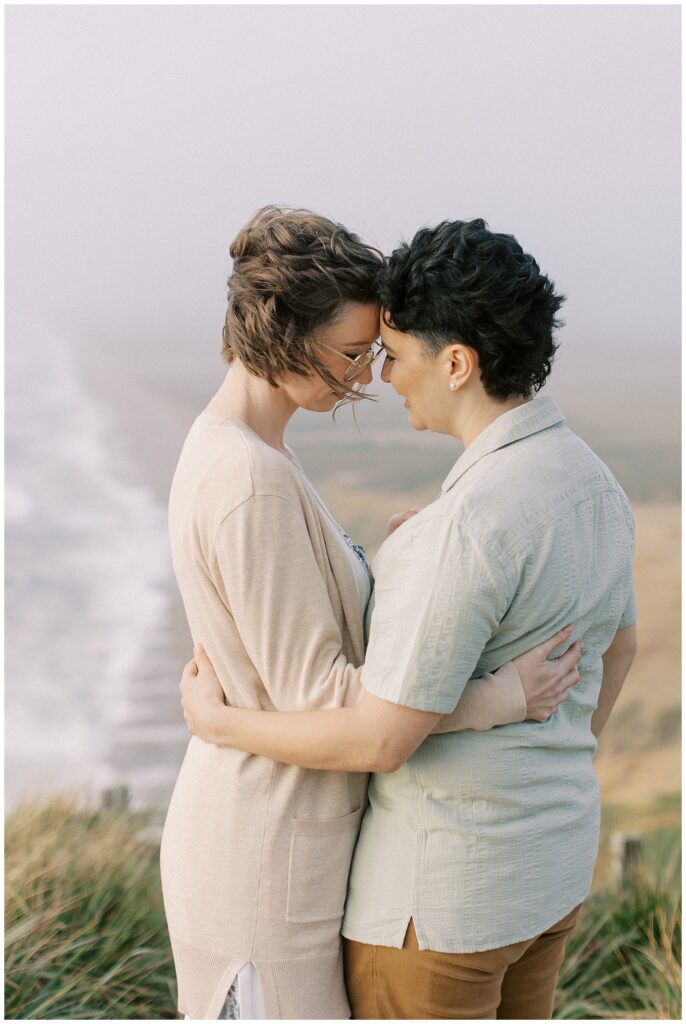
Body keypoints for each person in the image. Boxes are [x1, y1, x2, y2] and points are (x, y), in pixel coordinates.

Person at [180, 217, 637, 1020]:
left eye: (386, 353)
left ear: (457, 363)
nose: (375, 377)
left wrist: (411, 563)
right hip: (293, 859)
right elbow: (620, 647)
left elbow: (369, 722)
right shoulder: (590, 480)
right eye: (359, 351)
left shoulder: (282, 467)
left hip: (410, 885)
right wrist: (519, 727)